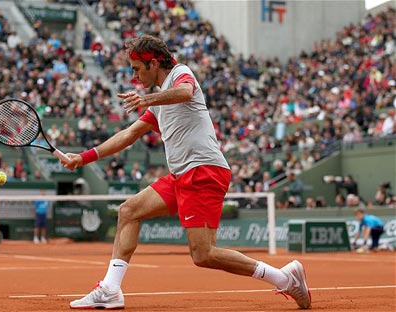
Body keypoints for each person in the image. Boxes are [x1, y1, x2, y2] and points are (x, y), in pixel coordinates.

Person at [61, 35, 311, 310]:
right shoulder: (158, 100)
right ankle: (110, 289)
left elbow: (185, 93)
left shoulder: (181, 74)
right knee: (129, 211)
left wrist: (147, 99)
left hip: (204, 172)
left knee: (203, 254)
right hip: (181, 176)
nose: (133, 75)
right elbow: (130, 133)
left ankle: (285, 280)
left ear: (153, 63)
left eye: (136, 68)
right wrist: (83, 158)